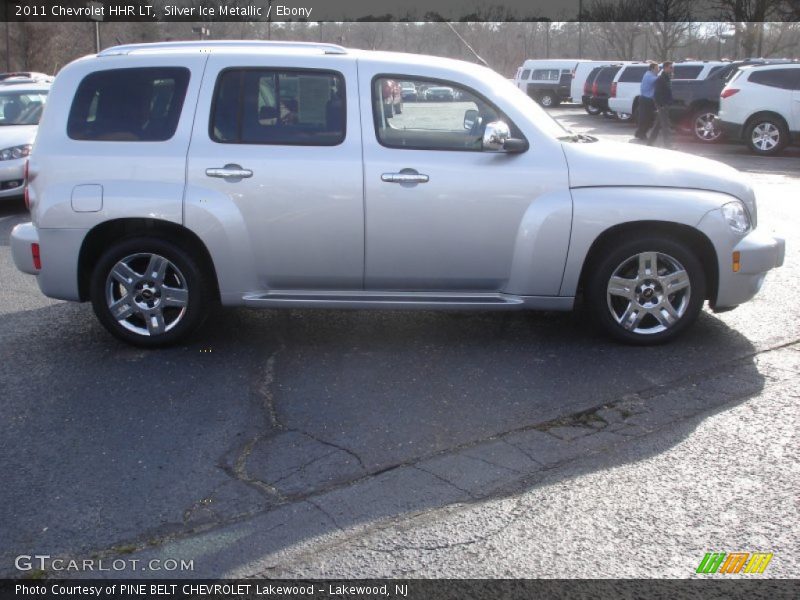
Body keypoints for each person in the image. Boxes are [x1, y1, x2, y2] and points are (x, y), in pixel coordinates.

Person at [647, 61, 674, 148]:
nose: (672, 69)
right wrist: (661, 105)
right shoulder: (661, 78)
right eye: (670, 67)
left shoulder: (667, 78)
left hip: (666, 104)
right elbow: (657, 94)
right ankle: (667, 145)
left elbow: (668, 91)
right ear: (665, 68)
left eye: (672, 67)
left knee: (657, 125)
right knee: (665, 125)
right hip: (662, 105)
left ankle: (650, 143)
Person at [633, 62, 658, 141]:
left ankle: (639, 133)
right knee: (645, 118)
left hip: (646, 99)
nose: (658, 70)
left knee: (646, 118)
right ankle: (641, 134)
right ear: (652, 68)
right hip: (646, 100)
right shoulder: (649, 76)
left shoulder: (650, 75)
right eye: (657, 68)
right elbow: (659, 80)